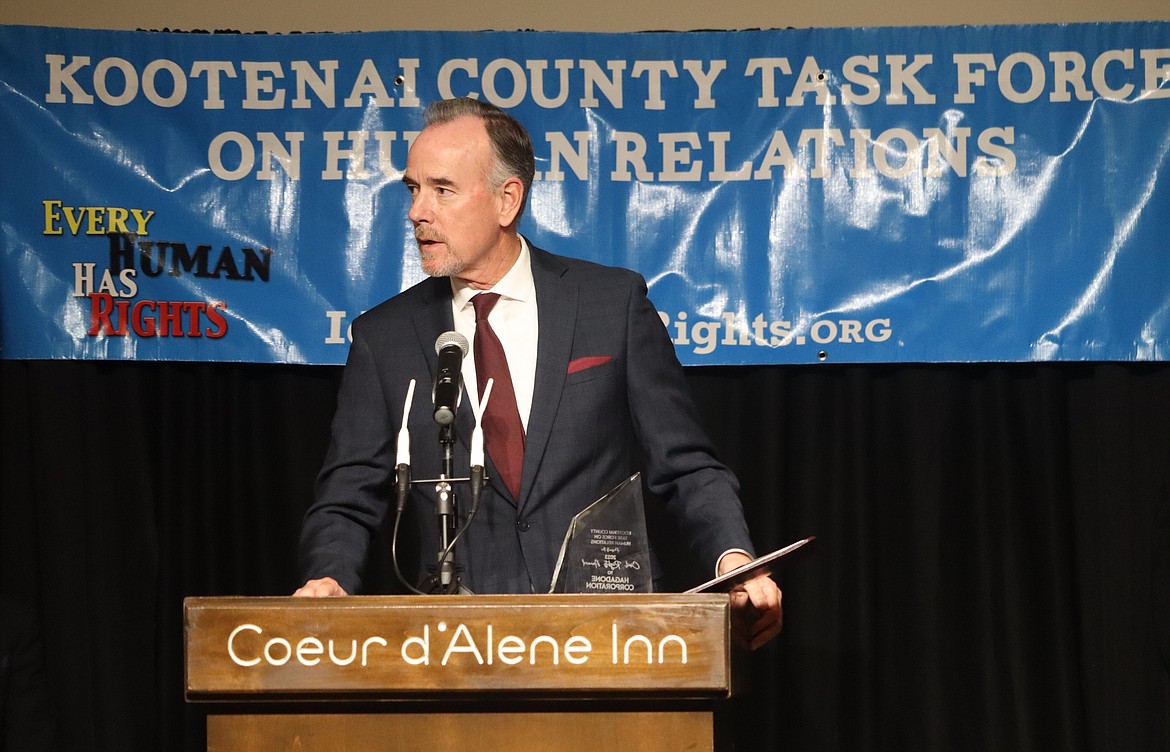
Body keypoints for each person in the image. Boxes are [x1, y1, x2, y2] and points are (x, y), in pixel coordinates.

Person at [295, 97, 783, 649]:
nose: (417, 212)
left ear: (507, 200)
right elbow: (347, 495)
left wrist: (735, 557)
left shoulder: (610, 305)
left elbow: (687, 464)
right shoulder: (384, 337)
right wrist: (329, 577)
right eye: (413, 189)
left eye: (442, 189)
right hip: (455, 647)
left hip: (612, 639)